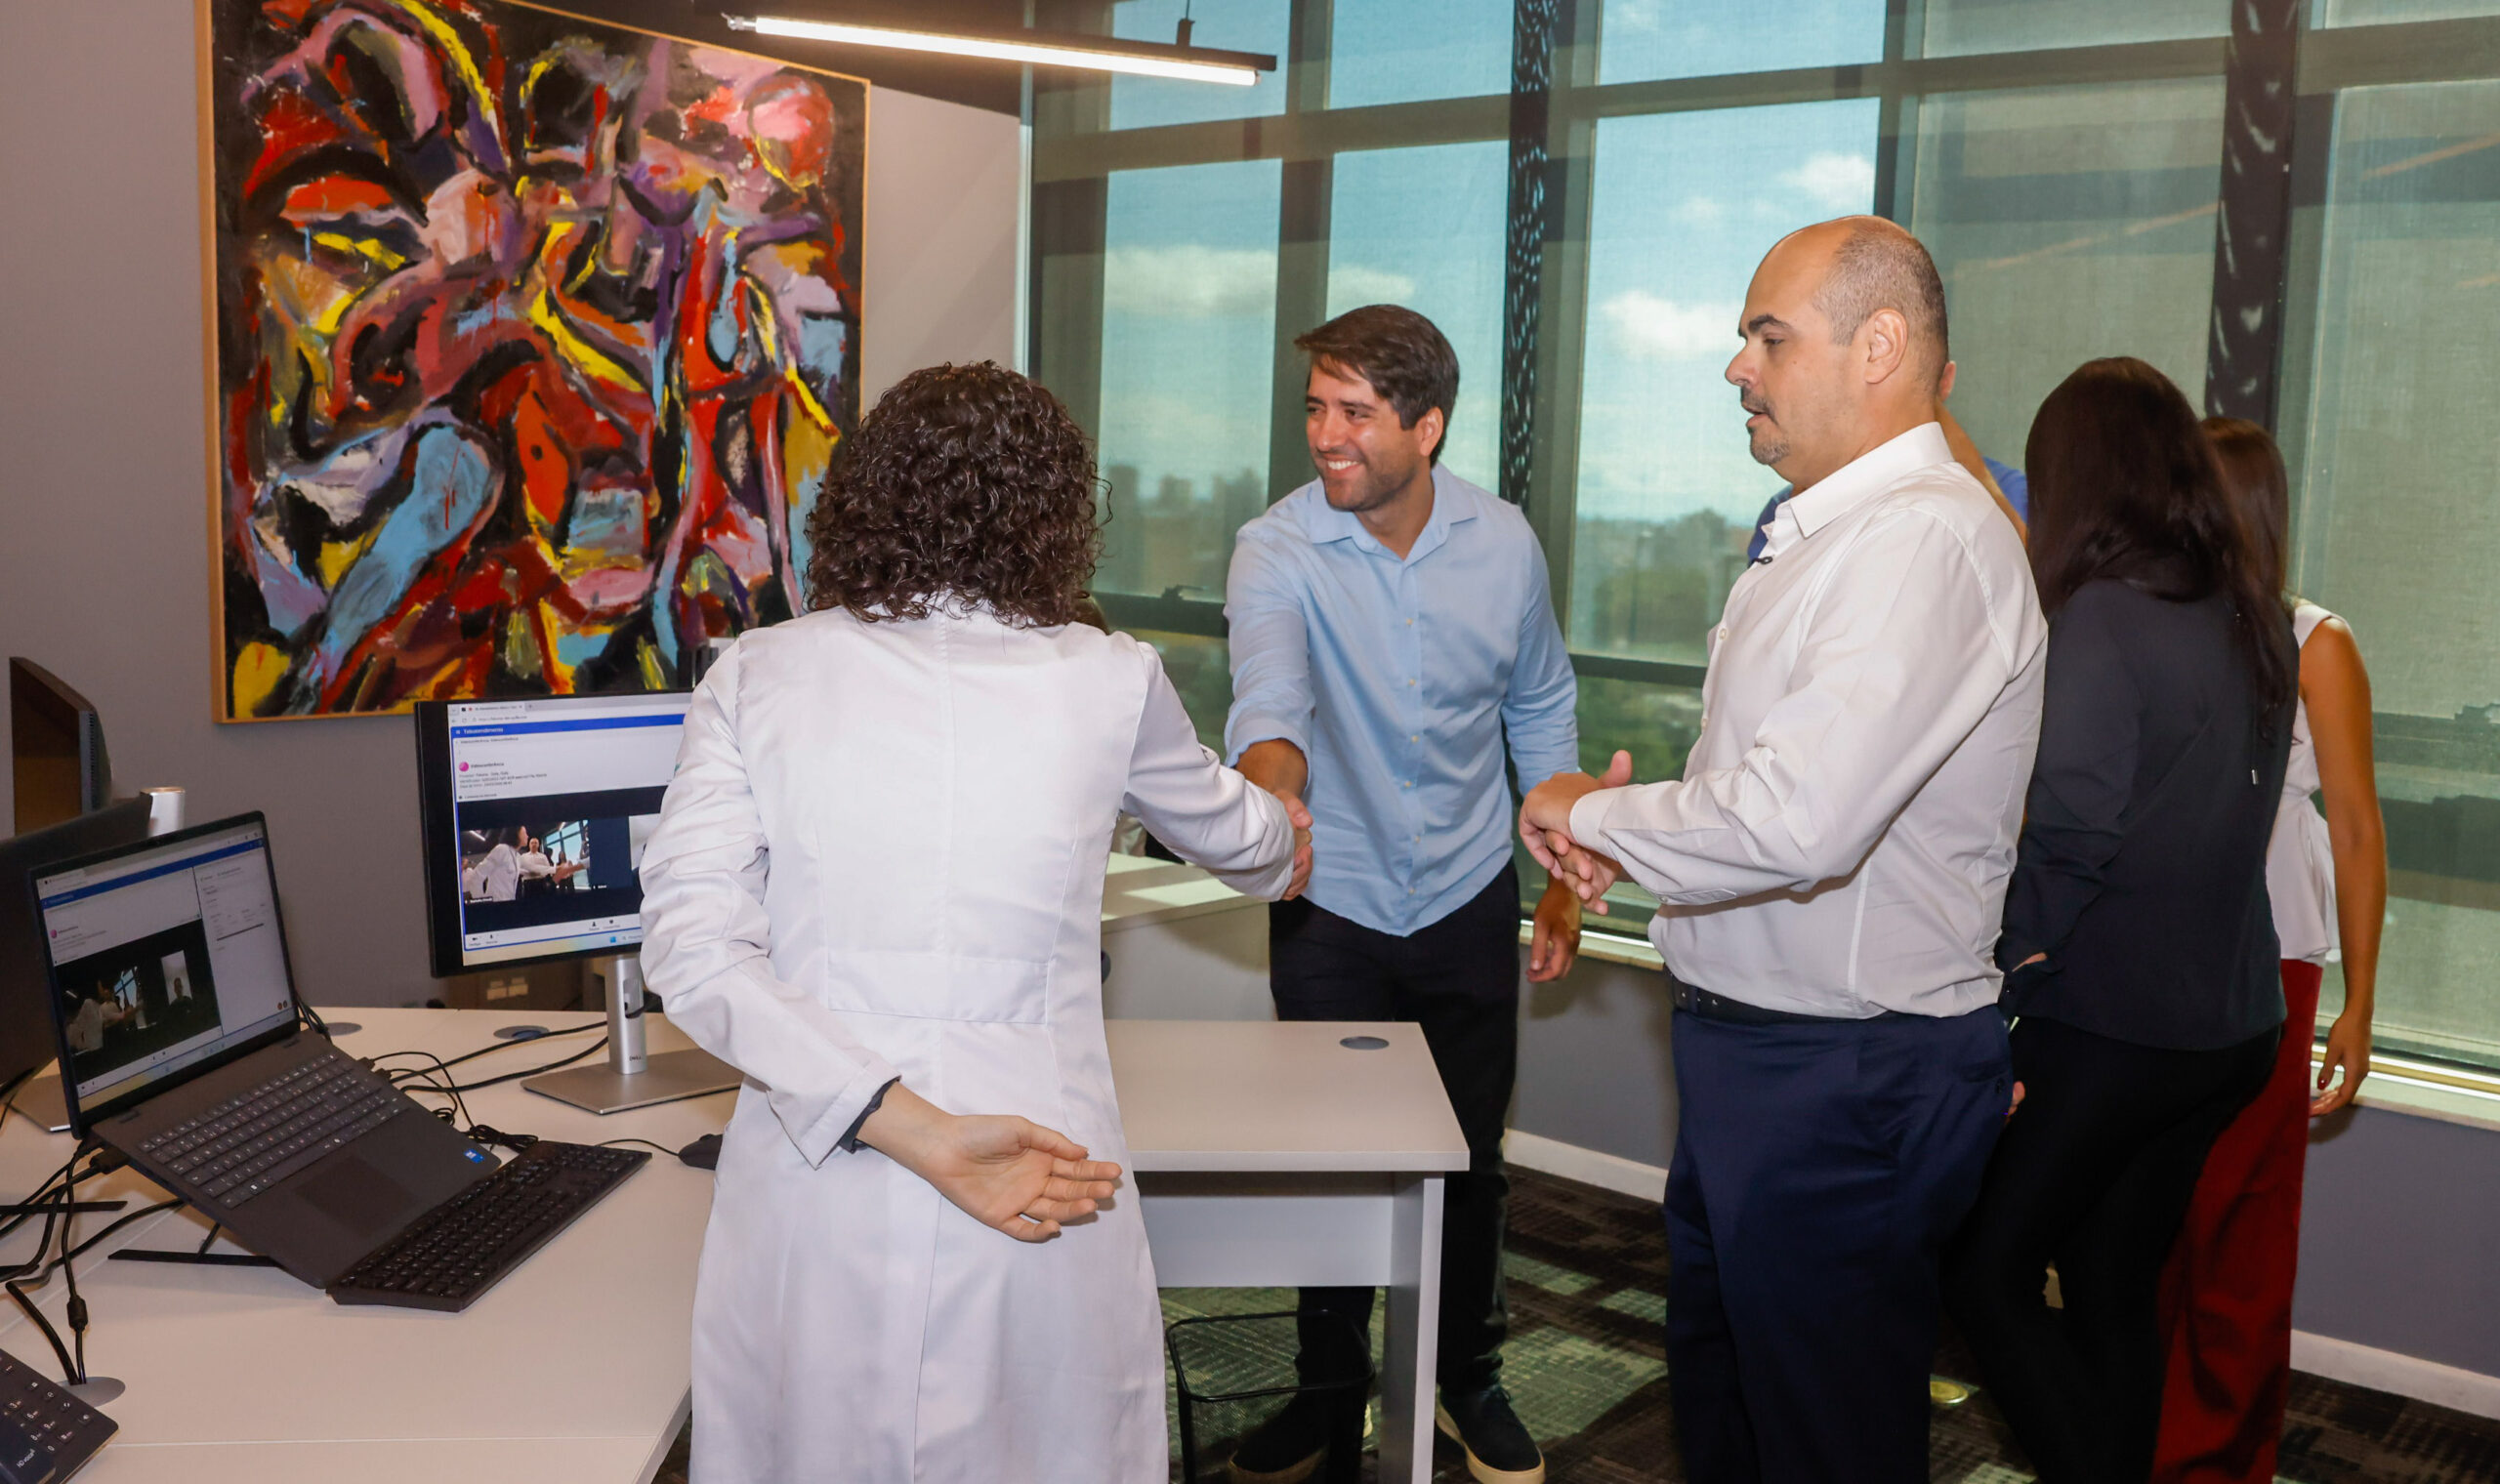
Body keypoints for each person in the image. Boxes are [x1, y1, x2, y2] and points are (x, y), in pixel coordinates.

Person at [637, 361, 1302, 1484]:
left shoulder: (760, 672)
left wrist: (901, 1120)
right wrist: (1283, 828)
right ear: (1053, 516)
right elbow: (1247, 842)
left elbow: (692, 949)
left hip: (825, 1170)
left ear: (865, 498)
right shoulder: (1110, 678)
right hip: (1041, 1163)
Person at [1520, 217, 2043, 1484]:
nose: (1736, 368)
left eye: (1768, 337)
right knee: (1738, 1416)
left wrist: (1588, 816)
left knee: (1820, 1439)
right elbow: (1765, 789)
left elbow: (1799, 818)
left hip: (1840, 1075)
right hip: (1770, 1059)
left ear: (1879, 346)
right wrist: (1647, 846)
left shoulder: (1921, 538)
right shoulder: (1833, 532)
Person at [1221, 305, 1579, 1484]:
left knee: (1468, 1153)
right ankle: (1326, 1391)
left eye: (1355, 412)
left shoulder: (1505, 543)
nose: (1325, 434)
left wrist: (1562, 877)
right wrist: (1271, 795)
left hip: (1468, 888)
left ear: (1425, 428)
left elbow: (1539, 703)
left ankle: (1465, 1376)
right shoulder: (1276, 546)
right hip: (1332, 890)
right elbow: (1268, 696)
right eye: (1315, 407)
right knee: (1329, 1155)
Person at [1938, 358, 2299, 1484]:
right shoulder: (2252, 612)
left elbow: (2071, 836)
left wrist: (1992, 987)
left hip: (2119, 1024)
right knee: (2109, 1280)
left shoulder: (2102, 612)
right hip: (2231, 1026)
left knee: (1984, 1270)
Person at [2149, 418, 2386, 1484]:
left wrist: (2358, 1003)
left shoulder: (2315, 641)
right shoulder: (2147, 626)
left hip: (2272, 965)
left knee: (2237, 1235)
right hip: (2151, 962)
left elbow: (2357, 829)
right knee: (2148, 1228)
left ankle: (2217, 1463)